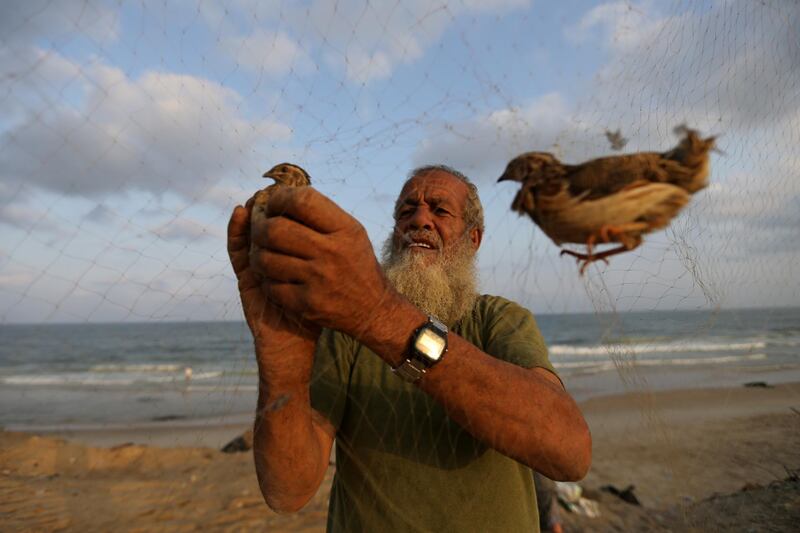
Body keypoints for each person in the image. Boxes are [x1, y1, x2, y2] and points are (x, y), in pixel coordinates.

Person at [227, 165, 591, 532]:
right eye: (406, 211)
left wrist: (379, 314)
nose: (419, 220)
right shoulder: (346, 333)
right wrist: (281, 351)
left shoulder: (499, 320)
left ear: (473, 239)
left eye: (440, 210)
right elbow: (287, 491)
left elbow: (569, 452)